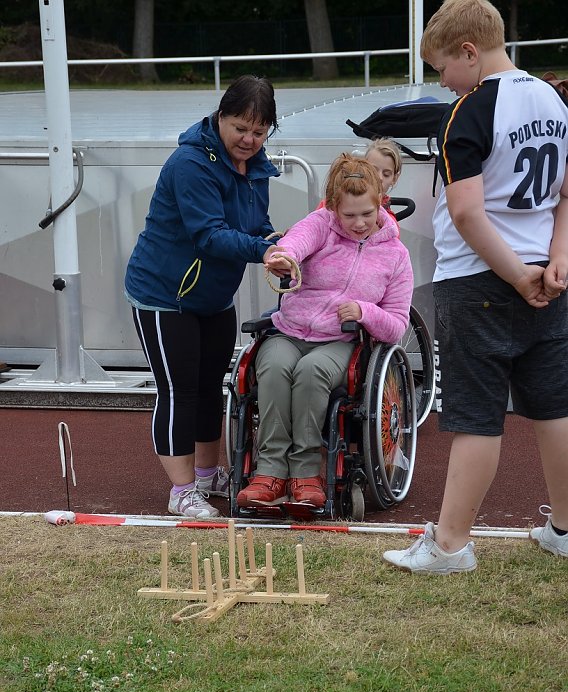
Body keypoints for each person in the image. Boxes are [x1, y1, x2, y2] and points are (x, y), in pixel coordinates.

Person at [383, 0, 568, 573]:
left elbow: (465, 212)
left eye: (442, 68)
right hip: (548, 274)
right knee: (554, 408)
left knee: (475, 417)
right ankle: (564, 529)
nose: (442, 81)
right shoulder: (555, 99)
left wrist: (515, 275)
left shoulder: (468, 109)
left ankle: (450, 544)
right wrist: (556, 260)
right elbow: (565, 194)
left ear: (469, 52)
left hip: (481, 279)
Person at [125, 75, 284, 519]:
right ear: (221, 117)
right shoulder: (188, 163)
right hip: (163, 295)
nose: (249, 140)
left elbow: (257, 225)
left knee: (211, 387)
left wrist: (283, 242)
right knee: (178, 391)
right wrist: (264, 250)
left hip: (214, 297)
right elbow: (209, 235)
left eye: (259, 131)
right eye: (240, 128)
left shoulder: (256, 166)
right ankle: (181, 492)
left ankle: (207, 474)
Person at [236, 153, 414, 509]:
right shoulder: (321, 224)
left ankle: (306, 472)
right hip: (291, 330)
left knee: (311, 372)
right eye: (349, 215)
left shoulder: (396, 255)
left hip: (340, 340)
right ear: (333, 207)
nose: (360, 223)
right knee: (271, 368)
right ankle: (269, 472)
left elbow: (396, 325)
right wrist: (284, 256)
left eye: (367, 213)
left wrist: (365, 311)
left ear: (380, 202)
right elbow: (298, 241)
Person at [364, 138, 402, 224]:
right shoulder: (340, 201)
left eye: (386, 174)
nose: (379, 177)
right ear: (362, 169)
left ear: (394, 178)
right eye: (373, 170)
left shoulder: (390, 224)